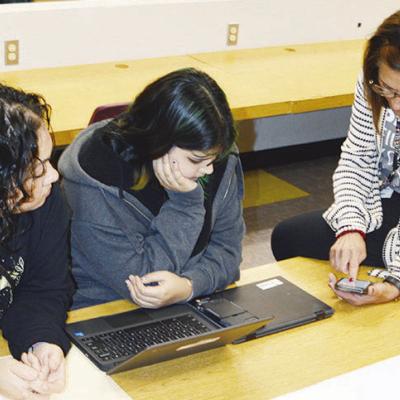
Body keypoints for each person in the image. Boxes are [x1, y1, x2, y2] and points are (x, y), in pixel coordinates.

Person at [58, 67, 244, 309]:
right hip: (108, 309)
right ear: (158, 141)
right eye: (197, 160)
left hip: (193, 299)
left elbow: (229, 254)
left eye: (212, 159)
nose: (208, 170)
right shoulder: (96, 181)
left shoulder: (212, 152)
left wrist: (189, 286)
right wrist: (185, 204)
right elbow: (146, 284)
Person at [271, 10, 400, 306]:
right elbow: (357, 159)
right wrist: (351, 228)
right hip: (390, 197)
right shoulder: (372, 83)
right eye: (388, 91)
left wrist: (395, 283)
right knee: (289, 238)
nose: (393, 105)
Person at [0, 84, 73, 399]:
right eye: (37, 168)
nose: (53, 176)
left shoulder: (46, 202)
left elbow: (42, 289)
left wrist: (43, 342)